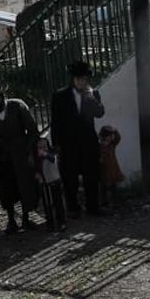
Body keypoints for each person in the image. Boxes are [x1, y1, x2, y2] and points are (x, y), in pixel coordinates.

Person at [0, 78, 41, 233]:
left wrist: (28, 150)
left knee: (25, 184)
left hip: (21, 151)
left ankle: (26, 219)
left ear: (2, 96)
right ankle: (11, 220)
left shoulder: (18, 106)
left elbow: (32, 130)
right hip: (2, 155)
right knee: (6, 187)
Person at [51, 60, 107, 217]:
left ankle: (93, 207)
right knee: (70, 178)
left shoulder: (93, 93)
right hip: (69, 144)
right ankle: (73, 207)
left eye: (84, 79)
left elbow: (100, 113)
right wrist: (57, 145)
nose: (82, 82)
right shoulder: (60, 96)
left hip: (88, 142)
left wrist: (91, 99)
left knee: (92, 176)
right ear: (73, 79)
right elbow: (56, 122)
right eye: (79, 79)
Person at [34, 137, 67, 231]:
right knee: (47, 205)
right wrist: (37, 174)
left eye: (44, 146)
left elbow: (52, 159)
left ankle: (61, 221)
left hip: (54, 182)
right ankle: (50, 223)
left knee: (58, 203)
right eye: (40, 147)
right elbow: (37, 169)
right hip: (44, 184)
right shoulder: (38, 159)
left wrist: (44, 154)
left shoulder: (51, 154)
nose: (42, 149)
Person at [98, 125, 125, 208]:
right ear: (104, 137)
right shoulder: (99, 146)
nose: (110, 138)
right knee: (103, 187)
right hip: (103, 169)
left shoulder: (111, 145)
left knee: (113, 186)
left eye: (111, 136)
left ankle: (115, 202)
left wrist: (115, 130)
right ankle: (104, 202)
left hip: (112, 169)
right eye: (109, 136)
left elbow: (118, 138)